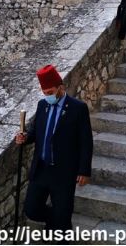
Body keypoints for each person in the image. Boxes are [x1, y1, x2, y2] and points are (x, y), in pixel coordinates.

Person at [15, 65, 93, 236]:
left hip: (64, 171)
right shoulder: (42, 105)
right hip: (41, 168)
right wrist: (25, 138)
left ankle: (62, 234)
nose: (47, 96)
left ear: (60, 87)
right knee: (31, 209)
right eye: (45, 93)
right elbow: (35, 132)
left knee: (63, 213)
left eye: (50, 92)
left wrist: (84, 170)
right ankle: (53, 220)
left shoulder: (78, 108)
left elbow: (86, 141)